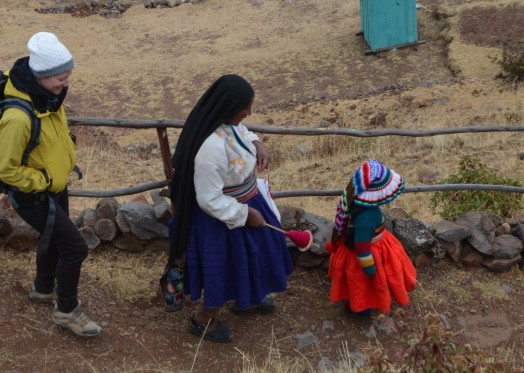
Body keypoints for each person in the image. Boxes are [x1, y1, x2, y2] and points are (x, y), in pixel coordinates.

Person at [162, 74, 293, 343]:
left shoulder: (226, 124)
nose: (249, 112)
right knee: (223, 268)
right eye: (245, 108)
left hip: (247, 204)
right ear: (228, 109)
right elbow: (209, 199)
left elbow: (241, 131)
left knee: (254, 255)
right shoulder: (210, 149)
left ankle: (248, 299)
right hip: (221, 218)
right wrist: (244, 215)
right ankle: (202, 320)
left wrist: (258, 145)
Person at [0, 32, 101, 337]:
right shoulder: (18, 117)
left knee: (54, 237)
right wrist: (42, 180)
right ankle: (66, 311)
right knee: (75, 248)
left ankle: (44, 289)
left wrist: (60, 167)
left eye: (68, 76)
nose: (67, 83)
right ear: (41, 75)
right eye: (61, 78)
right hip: (34, 194)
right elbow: (5, 170)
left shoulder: (47, 95)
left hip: (55, 186)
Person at [326, 160, 416, 318]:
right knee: (363, 282)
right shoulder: (366, 218)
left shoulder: (359, 204)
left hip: (376, 244)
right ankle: (360, 307)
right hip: (369, 253)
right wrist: (369, 267)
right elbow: (362, 248)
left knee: (361, 283)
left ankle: (361, 302)